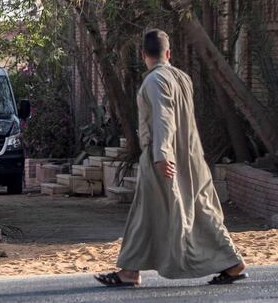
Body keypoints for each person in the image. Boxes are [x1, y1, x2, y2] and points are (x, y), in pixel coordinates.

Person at [95, 29, 248, 287]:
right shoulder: (182, 78)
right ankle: (232, 263)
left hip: (164, 159)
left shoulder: (154, 81)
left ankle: (130, 272)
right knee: (199, 209)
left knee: (148, 212)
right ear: (168, 53)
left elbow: (163, 118)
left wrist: (162, 154)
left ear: (143, 54)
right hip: (191, 157)